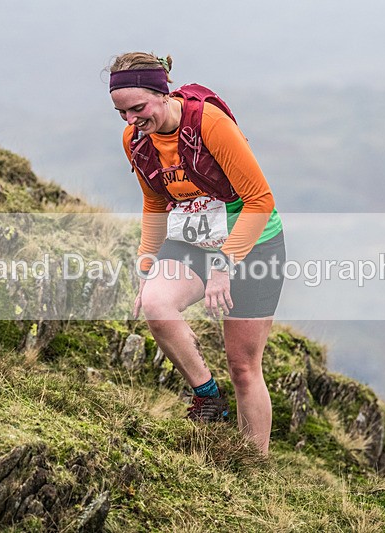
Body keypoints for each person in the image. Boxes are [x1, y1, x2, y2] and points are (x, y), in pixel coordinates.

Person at [109, 52, 285, 454]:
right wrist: (146, 263)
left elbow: (260, 200)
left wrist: (226, 264)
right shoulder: (135, 140)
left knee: (243, 368)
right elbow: (155, 203)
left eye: (138, 108)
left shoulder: (210, 124)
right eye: (121, 112)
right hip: (192, 238)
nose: (131, 120)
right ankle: (208, 397)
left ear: (162, 93)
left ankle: (254, 465)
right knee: (155, 303)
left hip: (252, 241)